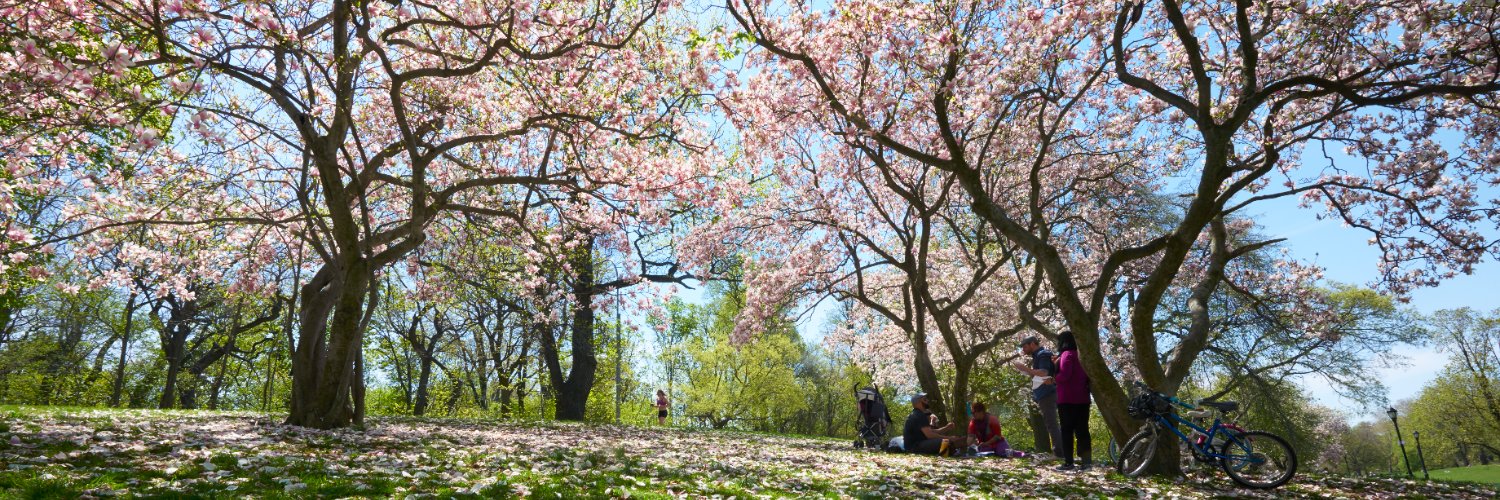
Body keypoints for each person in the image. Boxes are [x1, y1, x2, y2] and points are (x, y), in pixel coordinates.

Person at [1012, 335, 1061, 458]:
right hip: (1046, 393)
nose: (1023, 349)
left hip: (1047, 393)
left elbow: (1043, 373)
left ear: (1033, 344)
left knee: (1051, 423)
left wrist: (1024, 368)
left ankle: (1060, 453)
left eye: (1025, 346)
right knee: (1051, 423)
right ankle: (1061, 452)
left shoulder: (1042, 354)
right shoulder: (1038, 356)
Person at [1054, 331, 1092, 470]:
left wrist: (1054, 378)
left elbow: (1065, 375)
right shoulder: (1083, 355)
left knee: (1067, 431)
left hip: (1067, 398)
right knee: (1082, 430)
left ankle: (1069, 462)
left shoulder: (1067, 354)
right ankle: (1086, 462)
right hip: (1083, 398)